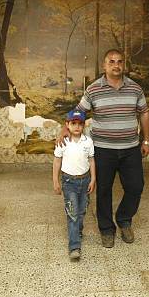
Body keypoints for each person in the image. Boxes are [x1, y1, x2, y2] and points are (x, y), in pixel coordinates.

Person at [57, 49, 149, 248]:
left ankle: (124, 219)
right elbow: (78, 111)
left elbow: (144, 113)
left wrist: (147, 141)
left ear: (123, 64)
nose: (116, 65)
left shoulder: (135, 89)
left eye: (119, 62)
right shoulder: (93, 90)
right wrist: (62, 130)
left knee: (136, 187)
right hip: (102, 149)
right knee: (104, 190)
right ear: (104, 65)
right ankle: (106, 229)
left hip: (130, 148)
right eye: (111, 62)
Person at [52, 109, 96, 260]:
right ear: (67, 125)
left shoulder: (88, 142)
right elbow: (57, 161)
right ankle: (74, 246)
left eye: (80, 124)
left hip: (85, 181)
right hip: (69, 182)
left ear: (83, 125)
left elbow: (91, 160)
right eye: (73, 123)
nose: (77, 126)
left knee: (82, 211)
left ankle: (77, 231)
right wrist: (55, 181)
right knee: (73, 214)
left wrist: (93, 179)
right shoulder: (62, 142)